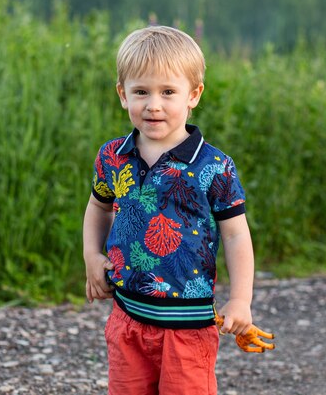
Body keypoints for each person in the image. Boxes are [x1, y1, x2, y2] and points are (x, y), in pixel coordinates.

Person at [82, 25, 255, 395]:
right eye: (141, 91)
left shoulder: (213, 166)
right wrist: (91, 255)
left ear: (193, 95)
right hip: (127, 317)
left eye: (168, 92)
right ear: (122, 95)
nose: (153, 104)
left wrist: (241, 298)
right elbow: (98, 207)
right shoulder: (113, 156)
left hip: (188, 325)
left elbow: (236, 233)